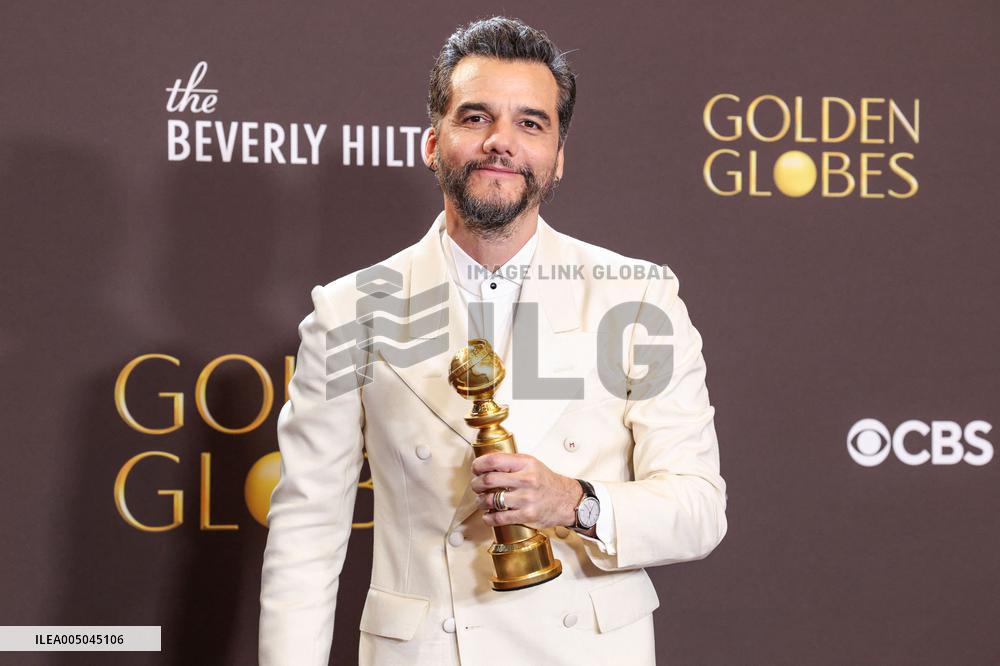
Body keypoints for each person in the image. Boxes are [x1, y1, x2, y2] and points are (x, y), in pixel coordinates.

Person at [259, 16, 727, 665]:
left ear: (558, 156)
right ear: (433, 140)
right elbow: (306, 538)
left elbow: (698, 508)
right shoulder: (352, 312)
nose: (501, 142)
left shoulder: (635, 296)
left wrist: (575, 503)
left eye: (530, 123)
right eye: (476, 117)